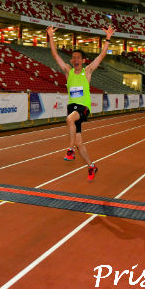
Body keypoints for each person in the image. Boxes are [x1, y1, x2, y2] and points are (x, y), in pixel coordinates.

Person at [47, 24, 116, 181]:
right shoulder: (68, 71)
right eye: (74, 57)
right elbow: (55, 55)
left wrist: (107, 39)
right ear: (71, 60)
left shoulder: (88, 71)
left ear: (83, 60)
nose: (76, 59)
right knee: (79, 142)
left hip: (83, 107)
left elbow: (101, 56)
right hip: (72, 107)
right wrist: (51, 37)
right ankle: (91, 166)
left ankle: (70, 150)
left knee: (70, 119)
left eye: (78, 57)